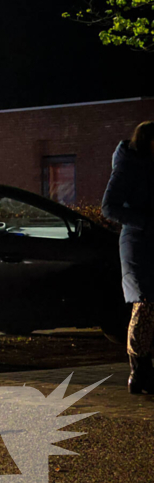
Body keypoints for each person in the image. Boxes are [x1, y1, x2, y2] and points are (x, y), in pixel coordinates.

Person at [102, 121, 154, 395]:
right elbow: (108, 207)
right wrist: (144, 222)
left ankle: (146, 371)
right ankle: (139, 372)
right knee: (144, 304)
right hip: (137, 243)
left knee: (149, 306)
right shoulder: (129, 165)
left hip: (148, 240)